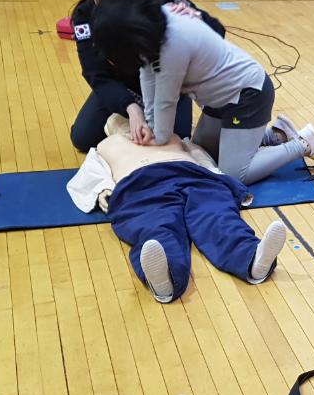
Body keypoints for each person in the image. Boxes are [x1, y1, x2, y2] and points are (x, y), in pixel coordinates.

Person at [90, 0, 314, 185]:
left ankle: (302, 143)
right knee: (204, 151)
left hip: (247, 96)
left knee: (234, 174)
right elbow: (147, 73)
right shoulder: (149, 26)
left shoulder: (172, 46)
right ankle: (278, 134)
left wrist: (157, 136)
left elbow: (166, 100)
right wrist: (150, 125)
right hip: (220, 101)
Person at [66, 113, 288, 302]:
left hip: (192, 176)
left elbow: (199, 154)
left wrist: (216, 175)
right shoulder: (105, 146)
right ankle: (165, 279)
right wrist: (103, 190)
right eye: (119, 122)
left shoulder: (169, 135)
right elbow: (91, 174)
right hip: (141, 186)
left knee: (217, 216)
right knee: (156, 227)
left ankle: (252, 258)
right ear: (110, 130)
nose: (126, 123)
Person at [67, 0, 225, 151]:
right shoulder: (84, 15)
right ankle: (127, 115)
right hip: (123, 85)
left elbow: (214, 32)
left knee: (176, 141)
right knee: (83, 138)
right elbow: (94, 71)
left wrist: (180, 80)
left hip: (167, 83)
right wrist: (130, 108)